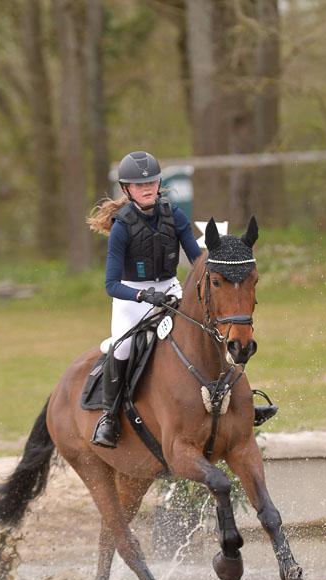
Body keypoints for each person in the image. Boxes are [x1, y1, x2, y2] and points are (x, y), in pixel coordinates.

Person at [87, 150, 202, 448]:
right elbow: (111, 284)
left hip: (170, 289)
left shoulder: (174, 215)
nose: (147, 188)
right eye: (139, 185)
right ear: (127, 190)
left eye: (151, 182)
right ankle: (109, 417)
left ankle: (234, 400)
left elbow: (197, 261)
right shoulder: (122, 227)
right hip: (131, 296)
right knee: (122, 347)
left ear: (159, 182)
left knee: (208, 328)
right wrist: (142, 294)